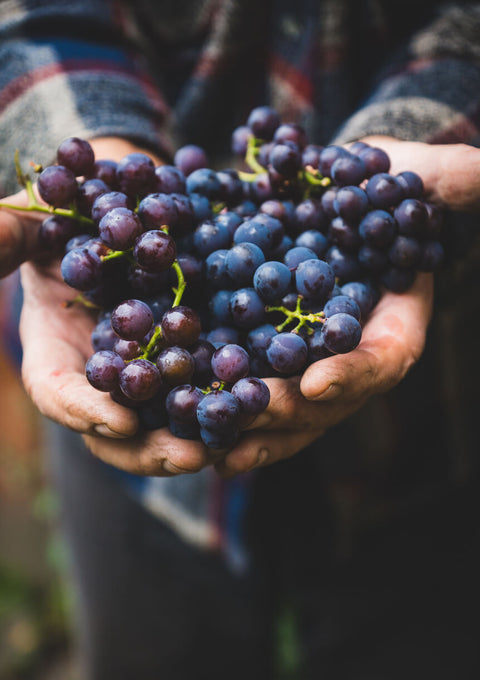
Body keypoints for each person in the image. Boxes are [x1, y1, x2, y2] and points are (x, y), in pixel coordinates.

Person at [0, 1, 480, 678]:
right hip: (134, 480)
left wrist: (415, 128)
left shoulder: (300, 273)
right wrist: (93, 148)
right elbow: (35, 16)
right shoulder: (138, 293)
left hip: (433, 425)